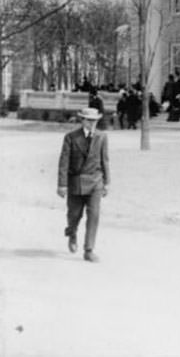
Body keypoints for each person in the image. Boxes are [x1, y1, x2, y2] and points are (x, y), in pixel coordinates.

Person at [57, 107, 109, 263]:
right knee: (74, 214)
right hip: (76, 182)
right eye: (89, 120)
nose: (92, 124)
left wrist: (107, 182)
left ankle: (89, 250)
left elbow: (105, 160)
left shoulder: (102, 137)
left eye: (95, 121)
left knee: (94, 215)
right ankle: (72, 232)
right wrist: (62, 184)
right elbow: (64, 162)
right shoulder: (71, 138)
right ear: (82, 120)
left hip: (95, 182)